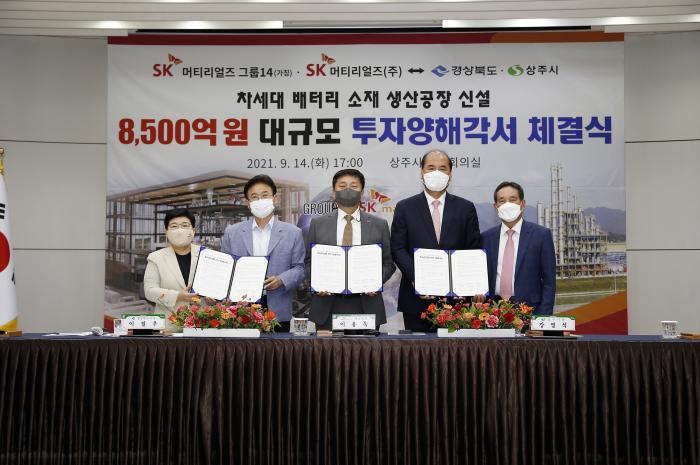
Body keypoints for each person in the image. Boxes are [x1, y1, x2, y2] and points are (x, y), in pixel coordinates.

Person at [390, 149, 482, 331]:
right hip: (416, 299)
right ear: (422, 172)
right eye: (431, 168)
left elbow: (473, 249)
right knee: (417, 349)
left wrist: (470, 283)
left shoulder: (465, 208)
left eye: (443, 168)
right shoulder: (405, 207)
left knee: (455, 349)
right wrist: (418, 279)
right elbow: (398, 248)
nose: (437, 173)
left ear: (450, 174)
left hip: (456, 300)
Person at [305, 169, 395, 330]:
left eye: (354, 186)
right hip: (326, 303)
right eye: (342, 186)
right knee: (325, 347)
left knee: (367, 348)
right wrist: (317, 283)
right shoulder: (318, 224)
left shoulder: (379, 225)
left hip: (367, 303)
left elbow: (388, 263)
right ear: (333, 193)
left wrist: (375, 282)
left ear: (362, 192)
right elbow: (308, 261)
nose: (348, 190)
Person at [221, 174, 305, 332]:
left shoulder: (293, 233)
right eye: (254, 197)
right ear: (248, 203)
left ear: (275, 199)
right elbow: (225, 269)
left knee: (277, 348)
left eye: (265, 195)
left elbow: (299, 268)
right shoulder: (232, 233)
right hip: (241, 309)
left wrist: (281, 279)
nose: (260, 200)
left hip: (278, 309)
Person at [481, 181, 556, 315]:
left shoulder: (541, 235)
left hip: (531, 311)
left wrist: (543, 317)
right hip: (493, 313)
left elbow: (549, 281)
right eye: (502, 201)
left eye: (512, 199)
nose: (507, 205)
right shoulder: (486, 238)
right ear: (496, 207)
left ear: (522, 204)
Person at [143, 208, 201, 328]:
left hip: (201, 324)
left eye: (185, 225)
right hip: (169, 326)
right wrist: (178, 296)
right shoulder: (156, 258)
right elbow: (149, 291)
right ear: (166, 232)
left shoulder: (205, 254)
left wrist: (213, 298)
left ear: (193, 230)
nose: (180, 230)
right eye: (174, 226)